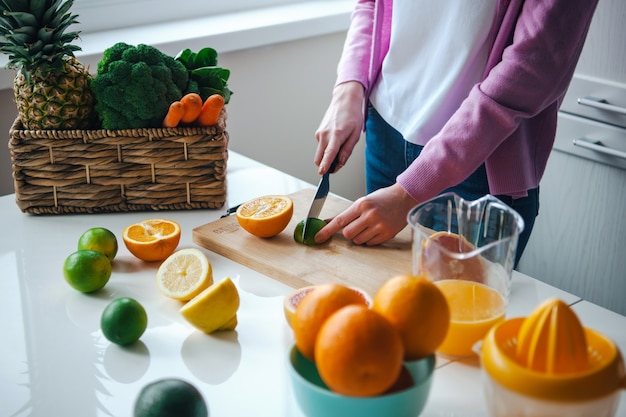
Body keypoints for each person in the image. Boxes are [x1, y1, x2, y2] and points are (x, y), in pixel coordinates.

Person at [312, 0, 599, 266]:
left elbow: (532, 66)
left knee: (464, 313)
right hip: (385, 131)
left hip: (481, 164)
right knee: (388, 301)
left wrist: (406, 194)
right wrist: (348, 88)